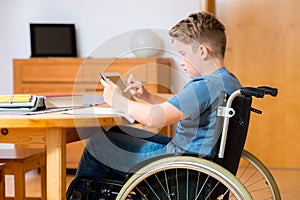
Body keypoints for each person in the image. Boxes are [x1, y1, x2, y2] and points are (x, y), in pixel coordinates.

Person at [70, 11, 242, 199]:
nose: (181, 62)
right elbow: (179, 107)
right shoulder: (227, 81)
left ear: (202, 51)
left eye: (183, 54)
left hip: (180, 171)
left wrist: (117, 100)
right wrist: (147, 95)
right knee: (117, 133)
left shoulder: (204, 85)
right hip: (198, 162)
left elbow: (154, 117)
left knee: (99, 144)